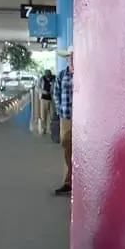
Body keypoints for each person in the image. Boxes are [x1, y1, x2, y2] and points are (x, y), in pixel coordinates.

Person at [53, 51, 73, 196]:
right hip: (66, 116)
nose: (71, 59)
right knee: (66, 146)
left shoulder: (84, 73)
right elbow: (56, 93)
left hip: (81, 118)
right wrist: (60, 110)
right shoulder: (61, 75)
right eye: (70, 57)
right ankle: (70, 180)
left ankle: (70, 182)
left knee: (79, 150)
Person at [33, 67, 55, 137]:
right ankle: (43, 130)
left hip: (51, 100)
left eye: (49, 75)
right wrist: (43, 91)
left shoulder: (54, 79)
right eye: (47, 75)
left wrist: (52, 92)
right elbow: (37, 87)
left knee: (52, 115)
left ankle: (51, 130)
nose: (48, 77)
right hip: (43, 99)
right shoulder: (42, 79)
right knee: (43, 116)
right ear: (45, 75)